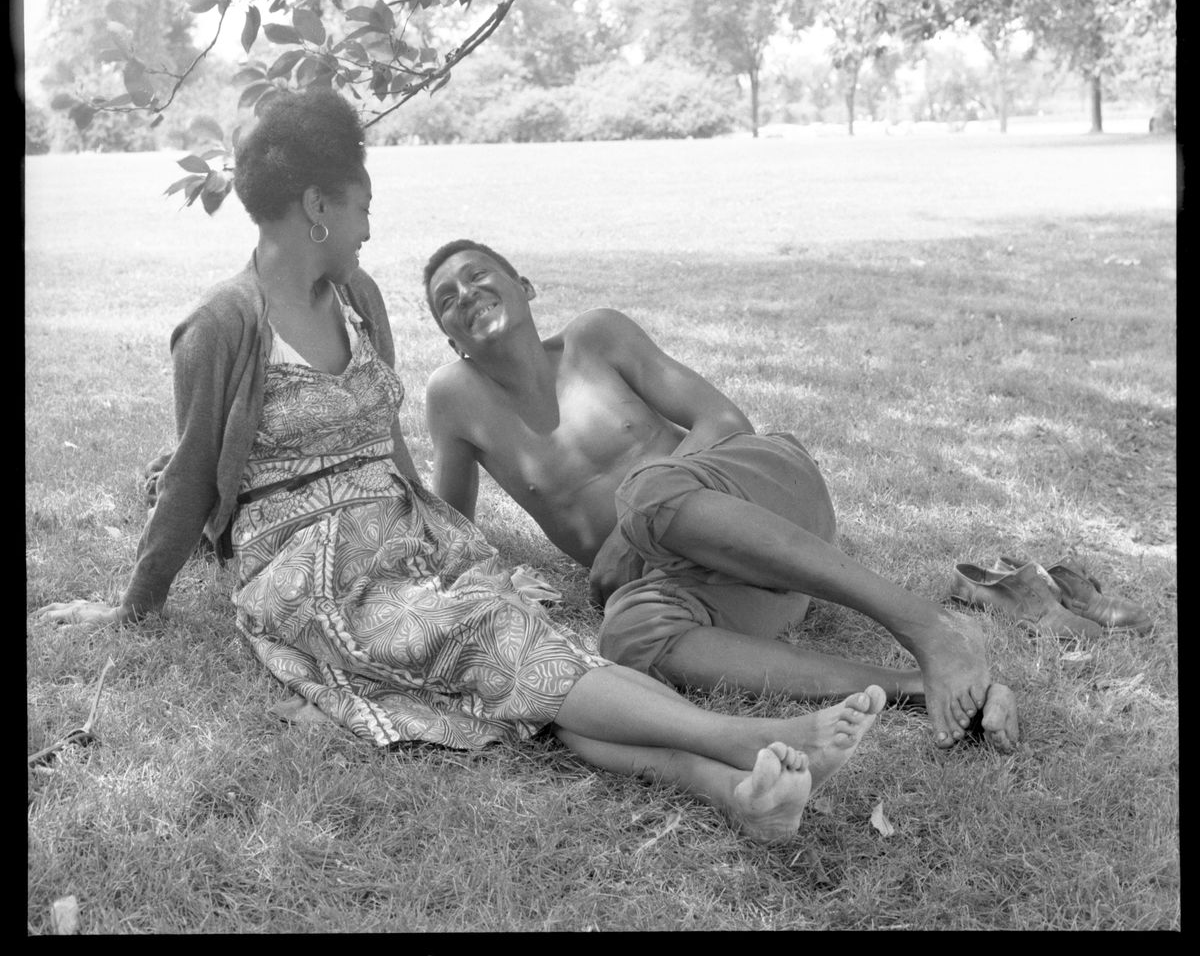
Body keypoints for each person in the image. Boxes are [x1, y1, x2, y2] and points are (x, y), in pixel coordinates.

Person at [35, 89, 890, 845]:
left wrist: (448, 536)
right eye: (364, 205)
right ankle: (741, 740)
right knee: (493, 643)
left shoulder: (359, 298)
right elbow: (190, 481)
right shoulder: (220, 327)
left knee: (526, 660)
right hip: (308, 562)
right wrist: (132, 607)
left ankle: (736, 795)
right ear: (317, 208)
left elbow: (387, 440)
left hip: (402, 531)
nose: (372, 226)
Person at [422, 240, 1020, 753]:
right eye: (446, 300)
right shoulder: (454, 399)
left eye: (477, 276)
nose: (465, 294)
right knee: (627, 634)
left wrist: (628, 530)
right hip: (721, 581)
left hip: (763, 493)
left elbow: (724, 420)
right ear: (451, 340)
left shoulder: (594, 337)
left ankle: (930, 625)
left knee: (648, 492)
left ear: (524, 286)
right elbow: (448, 528)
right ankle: (915, 687)